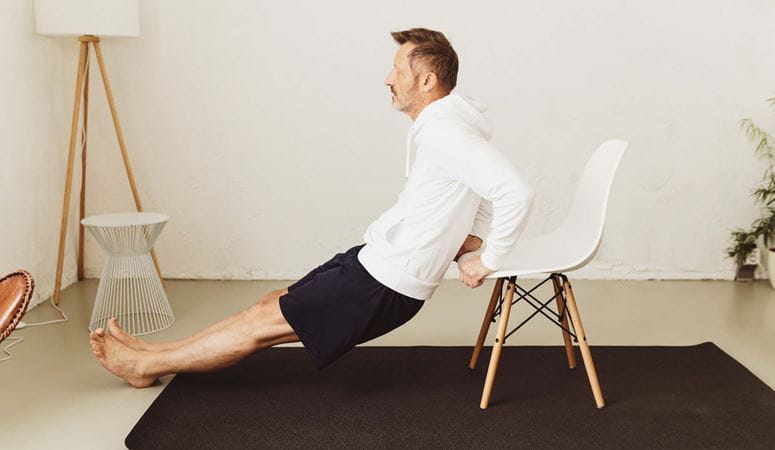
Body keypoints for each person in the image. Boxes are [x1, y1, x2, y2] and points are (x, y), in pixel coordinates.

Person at [89, 27, 535, 388]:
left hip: (384, 282)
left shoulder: (446, 132)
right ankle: (156, 354)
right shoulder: (448, 125)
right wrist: (471, 238)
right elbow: (479, 189)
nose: (387, 79)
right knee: (270, 305)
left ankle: (146, 365)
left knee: (261, 324)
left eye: (398, 69)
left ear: (426, 81)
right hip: (377, 261)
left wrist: (488, 259)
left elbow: (515, 191)